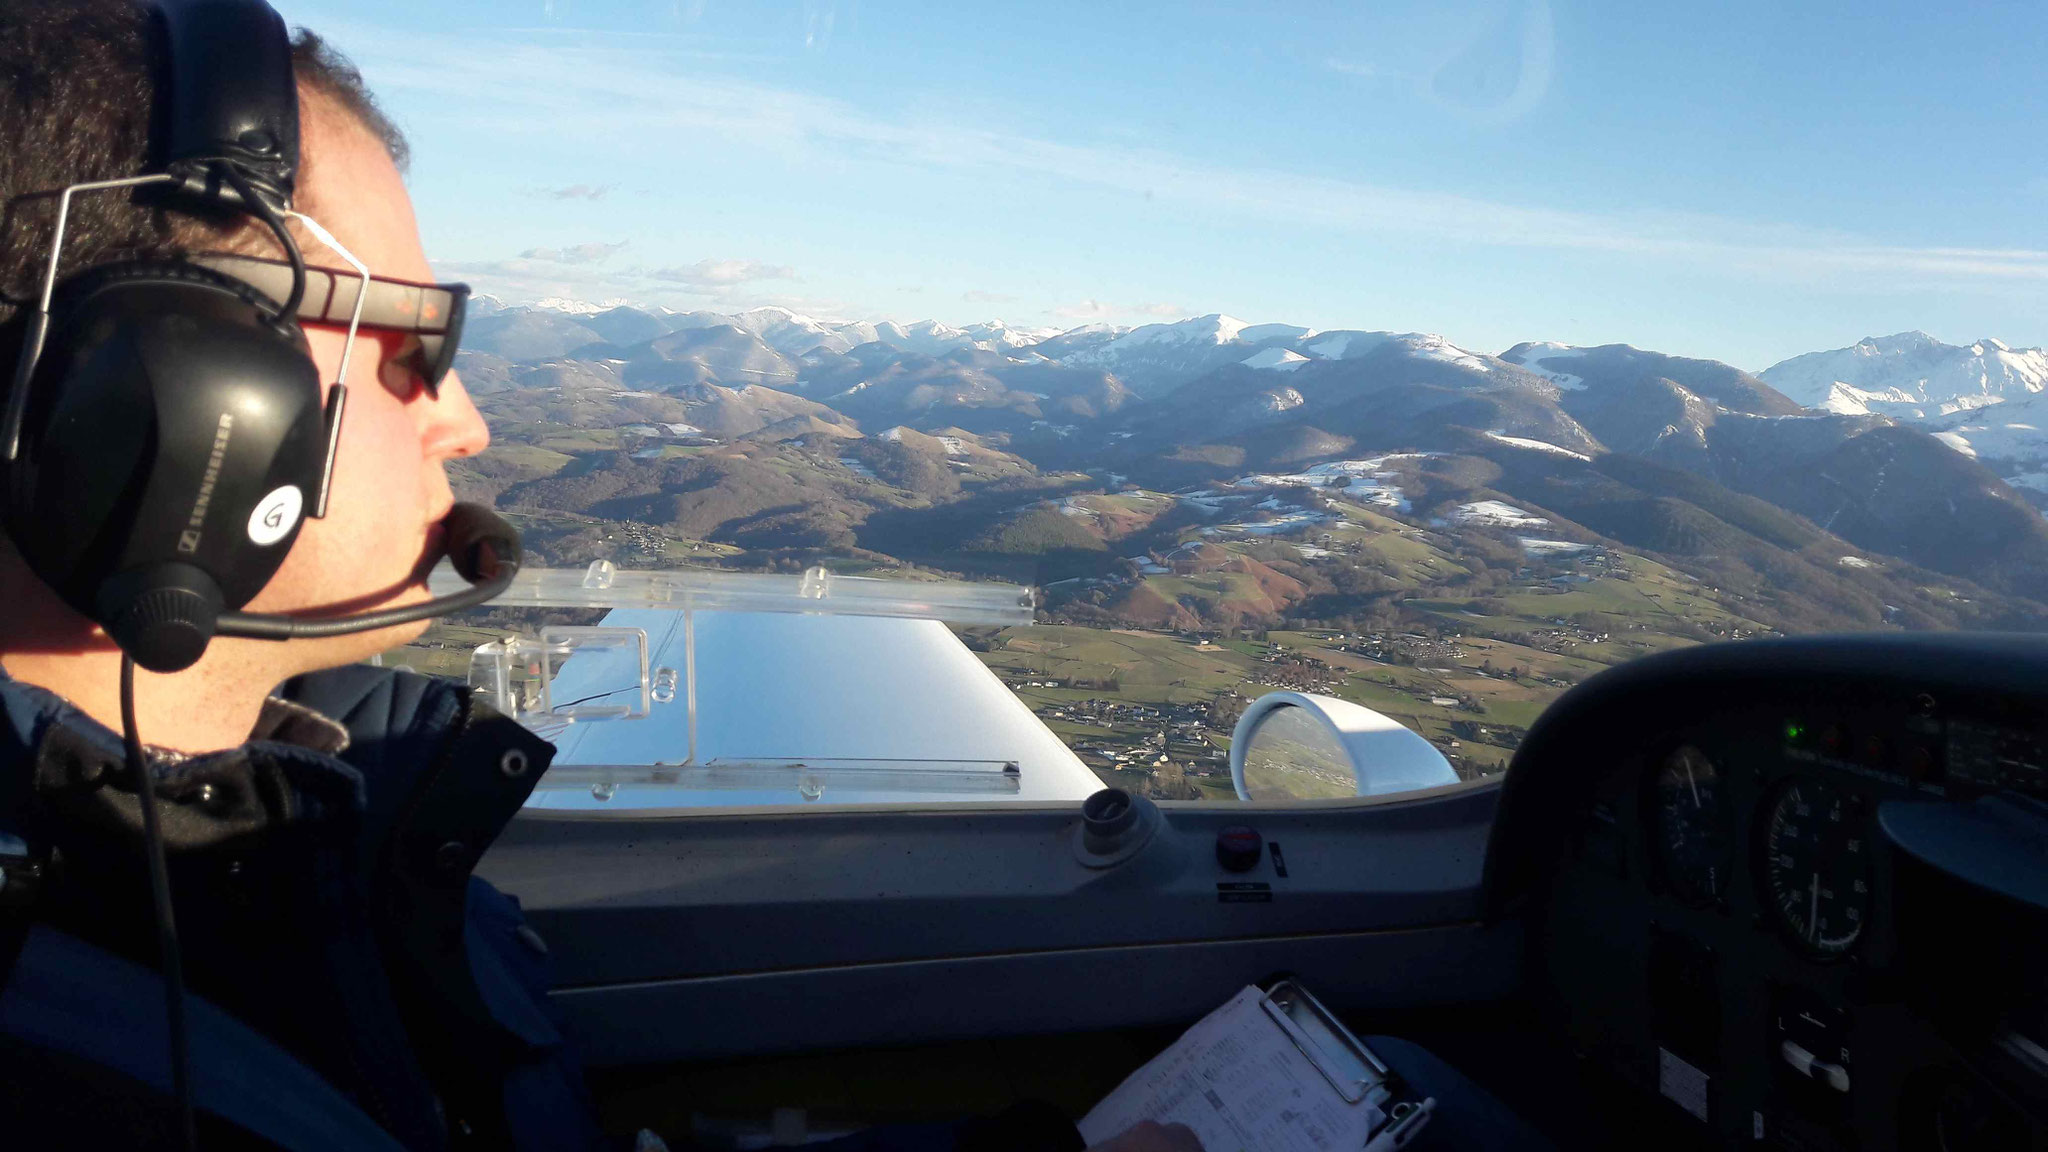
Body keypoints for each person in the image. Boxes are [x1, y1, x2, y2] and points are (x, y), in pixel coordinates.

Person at [0, 3, 1215, 1149]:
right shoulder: (64, 1061)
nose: (462, 420)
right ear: (178, 389)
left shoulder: (323, 817)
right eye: (419, 342)